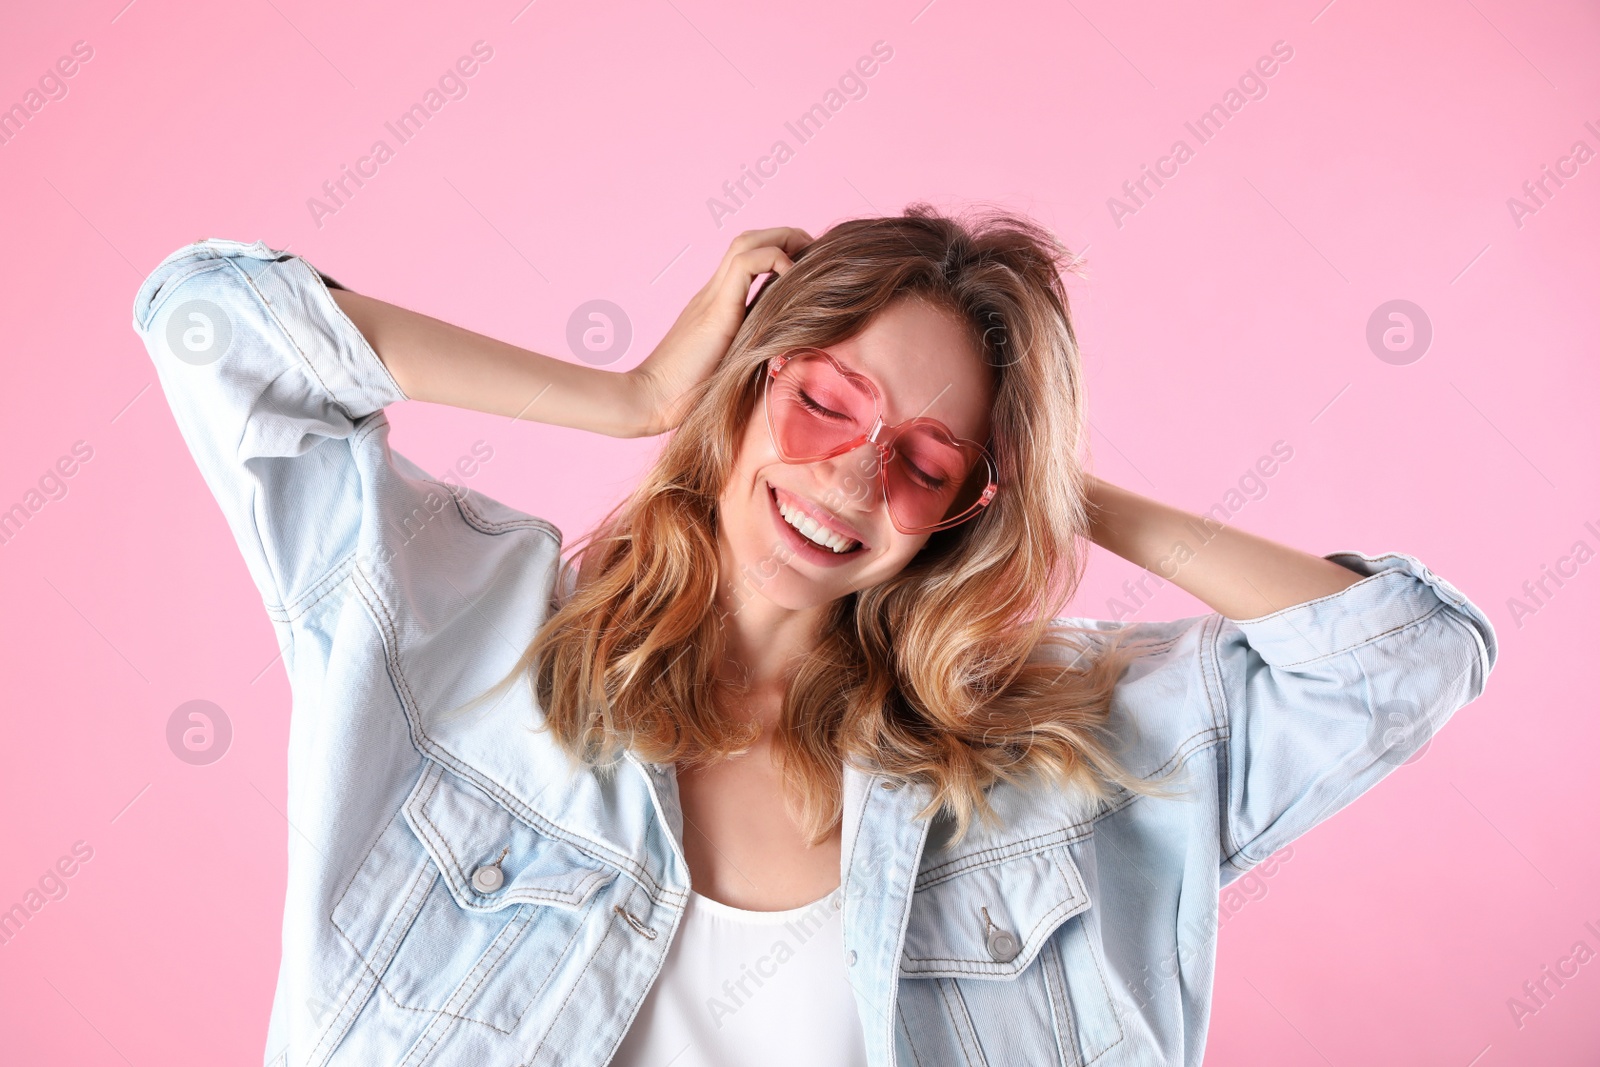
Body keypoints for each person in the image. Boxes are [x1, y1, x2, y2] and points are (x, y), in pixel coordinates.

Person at [130, 205, 1496, 1067]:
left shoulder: (1028, 764)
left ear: (967, 507)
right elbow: (212, 322)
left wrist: (1066, 491)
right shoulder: (460, 629)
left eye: (926, 459)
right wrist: (630, 393)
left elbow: (1405, 655)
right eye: (828, 402)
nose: (853, 478)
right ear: (748, 381)